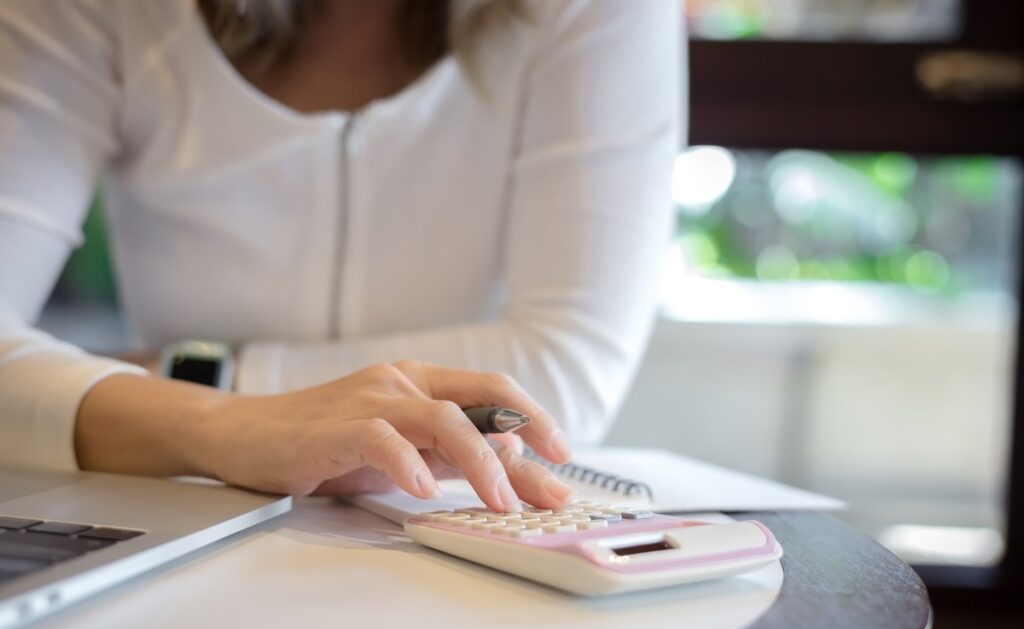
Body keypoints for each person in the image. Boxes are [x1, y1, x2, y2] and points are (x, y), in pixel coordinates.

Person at [0, 0, 681, 511]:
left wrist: (166, 387)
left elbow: (563, 374)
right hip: (176, 511)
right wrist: (231, 428)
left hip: (445, 522)